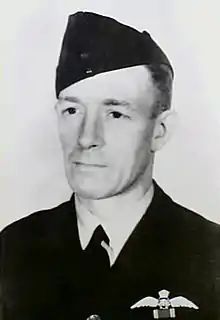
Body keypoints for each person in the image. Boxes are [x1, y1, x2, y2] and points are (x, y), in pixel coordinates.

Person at [0, 11, 220, 320]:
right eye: (72, 110)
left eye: (115, 113)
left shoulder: (211, 255)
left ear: (160, 131)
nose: (87, 137)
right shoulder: (12, 250)